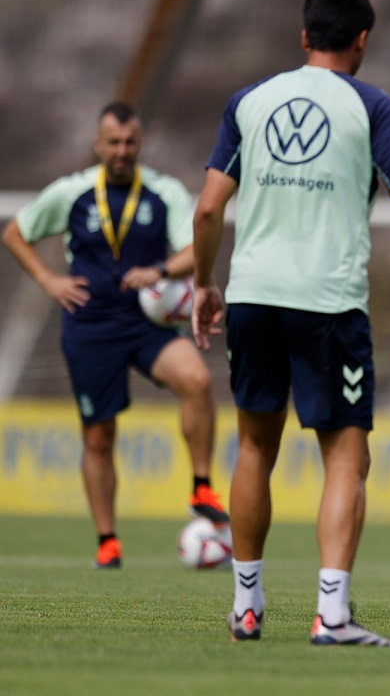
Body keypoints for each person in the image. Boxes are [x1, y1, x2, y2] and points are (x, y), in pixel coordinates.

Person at [191, 0, 390, 646]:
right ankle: (331, 614)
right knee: (346, 458)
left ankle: (246, 605)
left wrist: (204, 283)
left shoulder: (249, 102)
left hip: (252, 295)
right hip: (327, 302)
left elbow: (208, 208)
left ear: (303, 37)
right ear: (363, 40)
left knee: (254, 447)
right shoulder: (371, 105)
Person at [2, 102, 228, 570]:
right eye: (114, 143)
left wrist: (161, 271)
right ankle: (107, 540)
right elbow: (16, 233)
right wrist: (49, 281)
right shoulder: (73, 192)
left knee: (198, 381)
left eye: (130, 143)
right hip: (90, 326)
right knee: (99, 436)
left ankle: (201, 486)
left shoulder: (163, 192)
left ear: (140, 144)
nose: (122, 152)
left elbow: (195, 248)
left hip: (148, 323)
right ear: (98, 145)